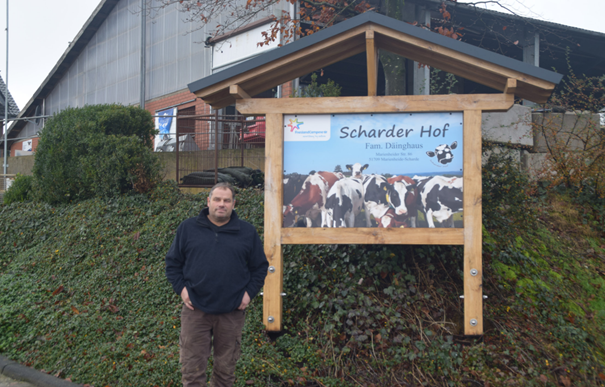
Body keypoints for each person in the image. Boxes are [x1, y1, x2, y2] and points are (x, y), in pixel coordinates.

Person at [165, 182, 268, 387]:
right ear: (208, 201)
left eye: (227, 200)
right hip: (195, 311)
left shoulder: (246, 232)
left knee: (225, 372)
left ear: (233, 204)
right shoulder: (188, 228)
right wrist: (182, 290)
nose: (222, 204)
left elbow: (260, 267)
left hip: (231, 313)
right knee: (192, 371)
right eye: (217, 199)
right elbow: (172, 264)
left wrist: (248, 294)